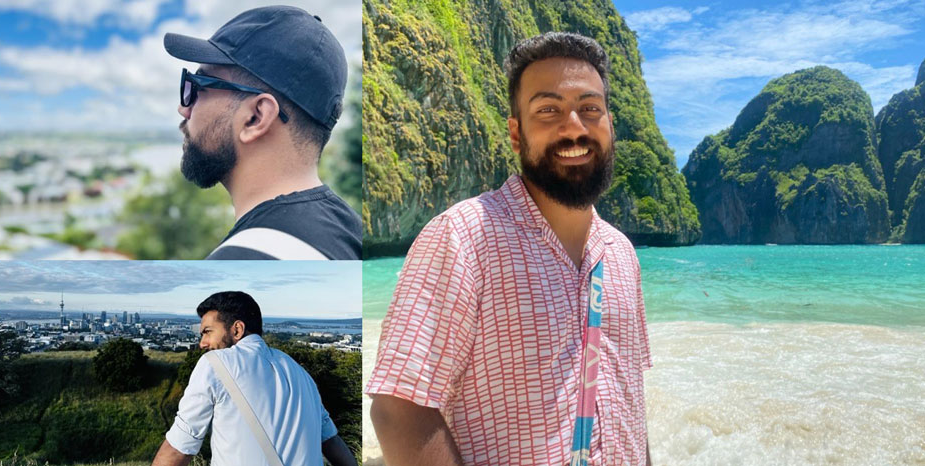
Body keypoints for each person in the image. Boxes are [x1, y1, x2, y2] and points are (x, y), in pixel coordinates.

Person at [366, 32, 653, 465]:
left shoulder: (621, 253)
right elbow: (399, 408)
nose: (574, 126)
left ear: (610, 124)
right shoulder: (463, 237)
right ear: (516, 134)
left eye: (590, 108)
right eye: (548, 110)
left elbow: (628, 400)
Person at [163, 6, 362, 260]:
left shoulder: (244, 261)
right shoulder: (351, 234)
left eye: (197, 86)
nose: (183, 108)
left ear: (256, 117)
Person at [152, 291, 356, 466]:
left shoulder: (214, 364)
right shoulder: (300, 372)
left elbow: (178, 449)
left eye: (207, 332)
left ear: (237, 329)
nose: (202, 343)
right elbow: (332, 442)